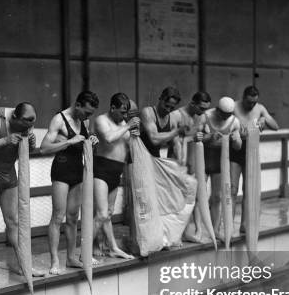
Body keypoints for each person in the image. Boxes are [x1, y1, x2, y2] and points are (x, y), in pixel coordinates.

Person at [0, 102, 45, 282]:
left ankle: (24, 266)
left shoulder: (27, 121)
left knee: (14, 222)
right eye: (26, 122)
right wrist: (4, 140)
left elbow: (25, 150)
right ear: (14, 117)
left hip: (8, 174)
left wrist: (31, 144)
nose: (29, 126)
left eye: (32, 122)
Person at [40, 91, 100, 274]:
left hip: (77, 170)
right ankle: (55, 261)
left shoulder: (85, 121)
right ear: (78, 105)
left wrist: (91, 141)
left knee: (73, 217)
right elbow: (44, 148)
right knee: (58, 217)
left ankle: (71, 257)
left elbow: (83, 142)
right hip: (61, 169)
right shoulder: (59, 120)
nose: (88, 117)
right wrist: (69, 141)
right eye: (87, 112)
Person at [91, 93, 140, 259]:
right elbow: (109, 138)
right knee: (101, 214)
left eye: (127, 113)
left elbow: (125, 144)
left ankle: (112, 247)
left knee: (109, 213)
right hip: (101, 169)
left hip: (116, 171)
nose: (124, 116)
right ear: (112, 108)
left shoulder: (123, 122)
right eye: (122, 112)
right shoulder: (101, 120)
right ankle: (84, 251)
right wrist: (127, 127)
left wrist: (134, 136)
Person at [231, 86, 279, 233]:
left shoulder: (260, 108)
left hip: (251, 152)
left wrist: (264, 119)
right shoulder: (233, 106)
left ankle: (244, 224)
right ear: (243, 97)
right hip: (234, 151)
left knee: (249, 190)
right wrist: (235, 130)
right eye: (249, 102)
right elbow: (221, 126)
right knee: (232, 190)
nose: (251, 106)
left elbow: (276, 126)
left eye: (254, 103)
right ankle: (229, 223)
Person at [170, 92, 212, 242]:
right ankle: (177, 235)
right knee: (178, 199)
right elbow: (172, 140)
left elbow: (208, 135)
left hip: (195, 161)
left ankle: (198, 231)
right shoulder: (176, 115)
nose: (203, 111)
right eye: (201, 108)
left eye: (206, 109)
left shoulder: (202, 116)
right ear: (193, 103)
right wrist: (187, 140)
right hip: (178, 162)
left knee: (198, 197)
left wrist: (203, 137)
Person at [202, 97, 242, 236]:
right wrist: (209, 137)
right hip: (203, 158)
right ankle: (197, 229)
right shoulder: (205, 116)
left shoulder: (234, 122)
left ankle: (215, 229)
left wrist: (235, 140)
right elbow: (195, 137)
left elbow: (238, 147)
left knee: (217, 197)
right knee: (197, 196)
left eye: (228, 115)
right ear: (217, 110)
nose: (225, 118)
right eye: (223, 115)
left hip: (220, 161)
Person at [140, 86, 182, 158]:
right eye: (166, 106)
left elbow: (176, 144)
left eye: (172, 108)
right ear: (160, 99)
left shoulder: (172, 119)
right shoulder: (148, 112)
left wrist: (181, 161)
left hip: (155, 159)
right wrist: (175, 132)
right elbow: (154, 139)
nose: (168, 110)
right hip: (140, 157)